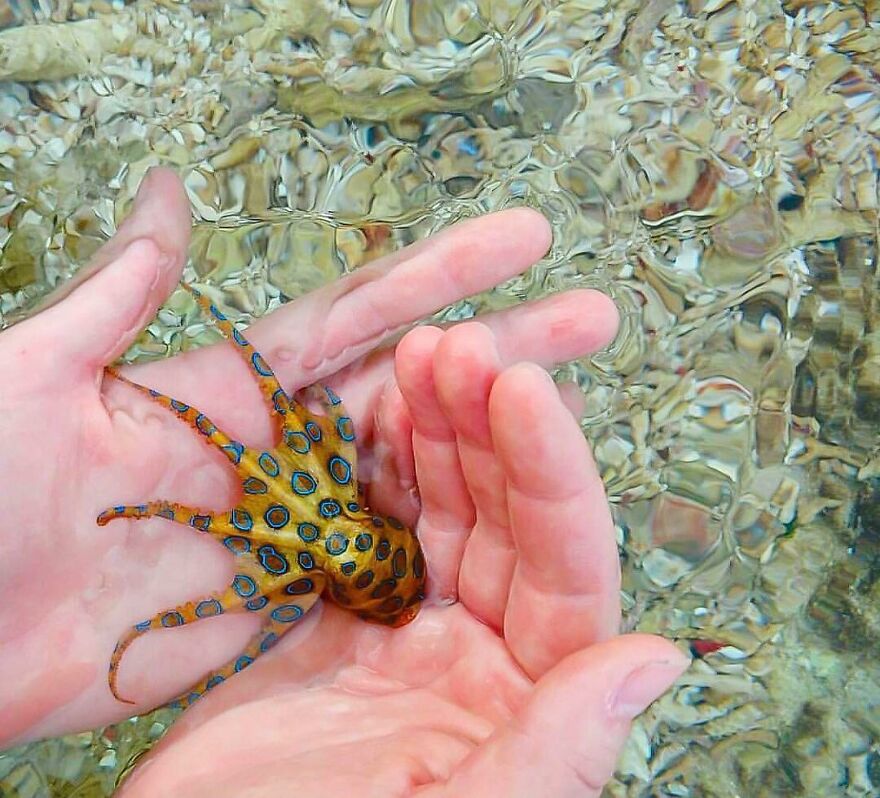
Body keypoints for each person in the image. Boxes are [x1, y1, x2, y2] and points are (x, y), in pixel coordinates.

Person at [0, 168, 688, 796]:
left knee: (265, 419)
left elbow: (231, 559)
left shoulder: (300, 562)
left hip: (374, 567)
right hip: (356, 557)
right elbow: (240, 531)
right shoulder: (301, 549)